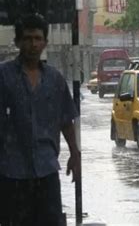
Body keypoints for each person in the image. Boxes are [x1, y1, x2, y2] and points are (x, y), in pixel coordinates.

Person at [0, 14, 81, 225]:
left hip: (47, 171)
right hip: (12, 173)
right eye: (27, 38)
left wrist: (75, 153)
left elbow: (65, 119)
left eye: (37, 38)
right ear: (18, 42)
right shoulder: (4, 76)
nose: (33, 44)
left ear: (45, 42)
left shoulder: (55, 79)